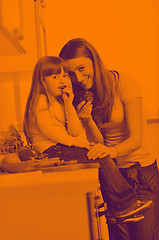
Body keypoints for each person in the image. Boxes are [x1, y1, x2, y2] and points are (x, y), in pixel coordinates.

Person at [23, 55, 152, 229]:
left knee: (104, 156)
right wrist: (79, 144)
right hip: (50, 150)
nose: (62, 80)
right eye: (54, 77)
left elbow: (75, 131)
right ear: (42, 81)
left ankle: (117, 208)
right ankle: (125, 204)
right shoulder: (41, 101)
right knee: (100, 156)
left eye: (64, 76)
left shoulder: (60, 102)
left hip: (62, 147)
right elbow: (51, 132)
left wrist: (68, 104)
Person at [59, 38, 159, 240]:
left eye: (81, 68)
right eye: (71, 73)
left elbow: (136, 139)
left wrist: (111, 151)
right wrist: (87, 121)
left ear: (94, 60)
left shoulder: (124, 83)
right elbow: (101, 143)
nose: (78, 78)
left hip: (140, 173)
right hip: (114, 178)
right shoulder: (84, 95)